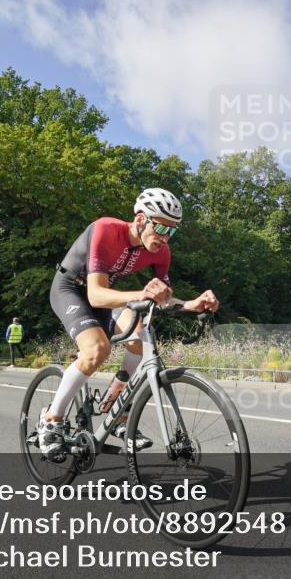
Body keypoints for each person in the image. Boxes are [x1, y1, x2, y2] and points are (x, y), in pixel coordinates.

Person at [40, 188, 219, 457]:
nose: (165, 237)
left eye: (172, 231)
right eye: (160, 227)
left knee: (141, 334)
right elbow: (95, 294)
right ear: (140, 220)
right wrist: (143, 294)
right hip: (71, 289)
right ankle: (51, 420)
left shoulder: (161, 252)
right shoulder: (106, 229)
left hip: (106, 295)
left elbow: (164, 298)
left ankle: (115, 404)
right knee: (97, 350)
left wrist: (192, 304)